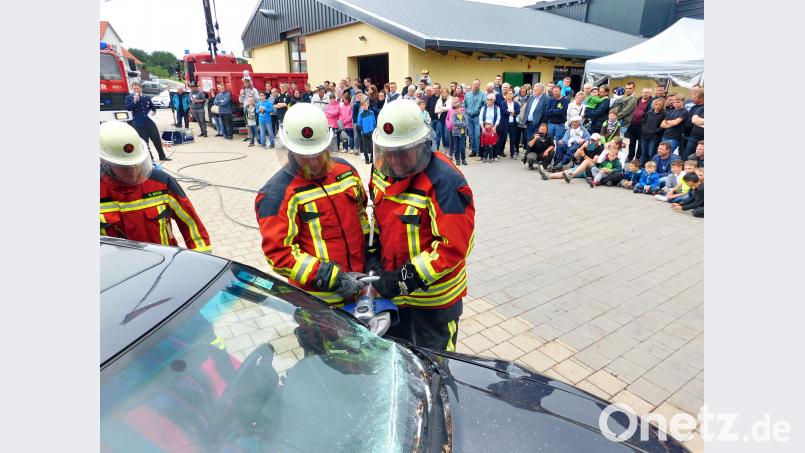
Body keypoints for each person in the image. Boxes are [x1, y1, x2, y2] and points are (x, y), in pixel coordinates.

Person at [368, 99, 475, 352]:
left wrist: (404, 278)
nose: (395, 161)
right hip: (396, 296)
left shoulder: (445, 181)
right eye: (388, 153)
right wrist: (373, 256)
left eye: (403, 153)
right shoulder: (381, 169)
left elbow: (454, 247)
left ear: (421, 145)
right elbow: (378, 219)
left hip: (435, 301)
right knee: (398, 362)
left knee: (437, 369)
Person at [255, 103, 370, 305]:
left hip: (359, 289)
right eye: (305, 157)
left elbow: (361, 217)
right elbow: (279, 254)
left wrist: (372, 254)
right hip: (316, 302)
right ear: (289, 149)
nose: (315, 163)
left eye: (319, 154)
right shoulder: (276, 194)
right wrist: (331, 277)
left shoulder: (346, 171)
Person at [100, 120, 210, 250]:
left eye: (137, 164)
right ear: (106, 163)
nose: (133, 171)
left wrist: (201, 263)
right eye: (125, 167)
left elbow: (191, 224)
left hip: (164, 265)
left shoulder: (162, 183)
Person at [125, 81, 170, 161]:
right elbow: (128, 108)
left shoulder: (146, 97)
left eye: (137, 88)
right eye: (134, 88)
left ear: (140, 88)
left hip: (150, 123)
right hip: (140, 124)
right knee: (145, 143)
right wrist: (135, 100)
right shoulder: (129, 98)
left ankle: (162, 156)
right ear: (132, 89)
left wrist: (153, 117)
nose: (136, 90)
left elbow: (153, 108)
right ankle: (150, 159)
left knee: (157, 140)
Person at [626, 87, 653, 162]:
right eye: (644, 92)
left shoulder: (651, 102)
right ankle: (630, 157)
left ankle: (637, 159)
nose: (645, 94)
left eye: (647, 92)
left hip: (642, 126)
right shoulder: (637, 100)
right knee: (632, 142)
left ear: (650, 93)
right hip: (633, 124)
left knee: (641, 144)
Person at [640, 98, 666, 163]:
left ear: (662, 106)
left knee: (651, 153)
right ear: (653, 105)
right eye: (656, 104)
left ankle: (651, 166)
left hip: (654, 137)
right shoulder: (649, 112)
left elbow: (662, 126)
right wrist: (643, 129)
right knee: (644, 152)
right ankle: (643, 166)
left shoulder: (664, 114)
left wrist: (656, 131)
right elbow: (643, 121)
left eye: (660, 105)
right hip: (644, 135)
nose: (657, 106)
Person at [464, 79, 485, 158]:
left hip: (477, 117)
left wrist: (479, 111)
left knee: (478, 134)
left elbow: (484, 105)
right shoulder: (467, 95)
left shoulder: (483, 95)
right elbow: (464, 105)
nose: (475, 85)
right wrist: (466, 112)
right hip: (469, 117)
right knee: (471, 135)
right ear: (472, 85)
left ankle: (479, 151)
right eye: (474, 84)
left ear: (479, 85)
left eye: (477, 84)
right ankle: (473, 150)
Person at [683, 88, 704, 160]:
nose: (692, 99)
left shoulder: (702, 107)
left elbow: (696, 121)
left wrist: (699, 122)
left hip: (701, 139)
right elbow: (694, 120)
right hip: (689, 136)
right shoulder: (696, 107)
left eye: (694, 98)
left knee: (697, 159)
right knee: (686, 157)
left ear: (702, 98)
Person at [479, 94, 500, 163]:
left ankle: (494, 156)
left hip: (493, 127)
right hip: (485, 127)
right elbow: (480, 118)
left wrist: (494, 127)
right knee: (483, 141)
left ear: (494, 100)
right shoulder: (483, 108)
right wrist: (482, 128)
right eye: (488, 99)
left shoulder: (497, 108)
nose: (489, 101)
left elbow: (498, 119)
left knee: (494, 141)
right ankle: (481, 155)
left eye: (491, 99)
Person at [356, 98, 376, 164]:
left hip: (371, 132)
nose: (365, 106)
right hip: (364, 133)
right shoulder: (361, 114)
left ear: (368, 104)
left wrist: (374, 128)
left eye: (366, 104)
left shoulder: (371, 112)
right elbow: (359, 123)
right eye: (363, 105)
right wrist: (362, 130)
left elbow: (374, 121)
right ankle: (366, 160)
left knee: (372, 146)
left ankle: (371, 159)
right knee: (365, 146)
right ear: (361, 106)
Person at [503, 90, 521, 159]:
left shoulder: (516, 103)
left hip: (513, 124)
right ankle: (500, 151)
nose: (510, 95)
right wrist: (512, 113)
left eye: (511, 93)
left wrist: (512, 112)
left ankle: (512, 153)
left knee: (513, 138)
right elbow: (504, 112)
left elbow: (518, 111)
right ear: (506, 95)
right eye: (508, 93)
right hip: (505, 123)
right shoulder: (503, 103)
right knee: (503, 137)